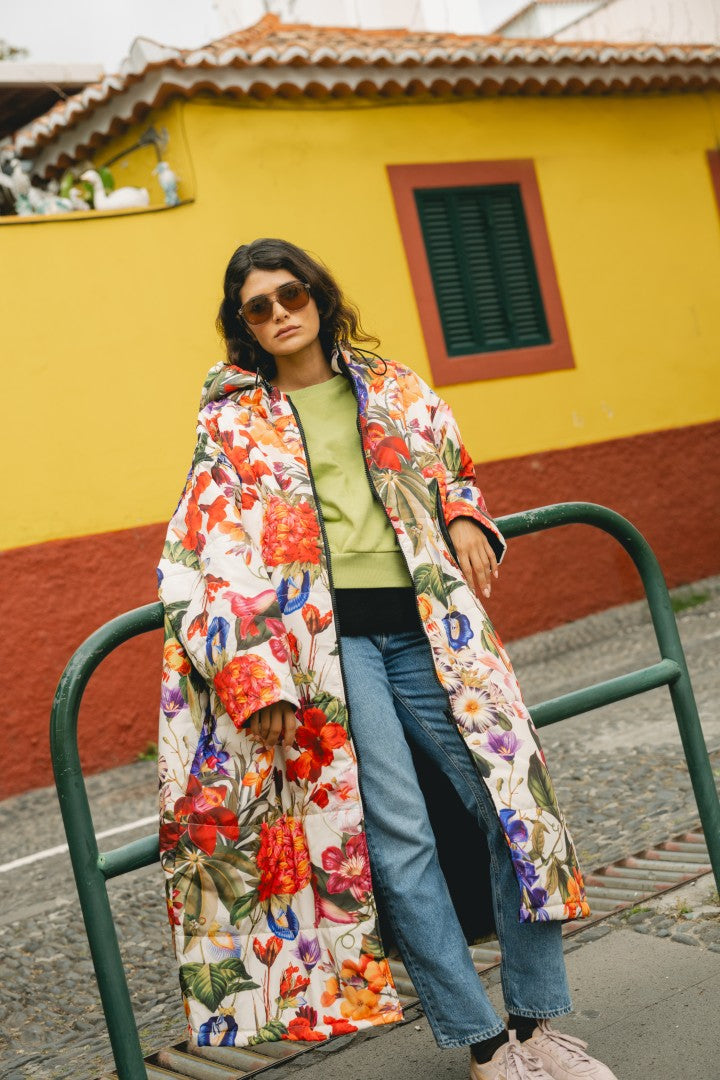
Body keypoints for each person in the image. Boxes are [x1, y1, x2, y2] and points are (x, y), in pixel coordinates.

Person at [157, 238, 618, 1080]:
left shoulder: (395, 387)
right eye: (258, 307)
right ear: (244, 325)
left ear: (318, 295)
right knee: (398, 836)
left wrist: (468, 514)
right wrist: (256, 674)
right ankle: (485, 1045)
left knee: (514, 805)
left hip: (432, 626)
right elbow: (210, 551)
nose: (280, 313)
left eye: (291, 294)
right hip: (329, 655)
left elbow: (453, 470)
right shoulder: (230, 424)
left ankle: (535, 1024)